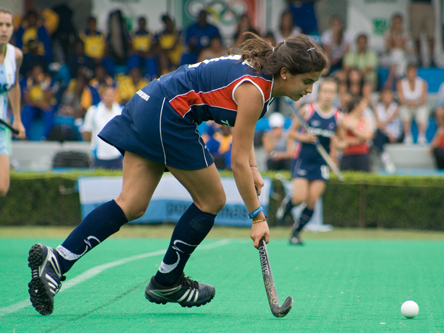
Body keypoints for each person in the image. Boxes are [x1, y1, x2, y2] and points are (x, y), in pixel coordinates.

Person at [27, 32, 327, 315]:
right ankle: (167, 280)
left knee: (131, 204)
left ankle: (57, 261)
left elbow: (240, 138)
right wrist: (258, 217)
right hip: (170, 114)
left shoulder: (262, 80)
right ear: (286, 72)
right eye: (308, 81)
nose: (310, 90)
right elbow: (236, 162)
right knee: (212, 199)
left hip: (149, 103)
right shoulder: (255, 90)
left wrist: (253, 167)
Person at [275, 78, 341, 244]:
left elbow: (340, 140)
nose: (327, 95)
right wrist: (304, 137)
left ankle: (296, 233)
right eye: (325, 91)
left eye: (331, 92)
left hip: (321, 164)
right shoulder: (308, 111)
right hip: (303, 159)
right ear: (320, 93)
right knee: (299, 197)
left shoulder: (338, 117)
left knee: (312, 200)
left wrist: (339, 145)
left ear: (335, 95)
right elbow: (291, 133)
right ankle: (286, 206)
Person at [0, 8, 25, 196]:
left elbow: (14, 86)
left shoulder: (16, 55)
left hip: (2, 127)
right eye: (0, 25)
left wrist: (17, 119)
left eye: (8, 25)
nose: (4, 29)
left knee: (2, 187)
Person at [80, 85, 123, 170]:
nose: (110, 98)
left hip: (117, 155)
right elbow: (86, 132)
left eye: (111, 95)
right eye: (107, 95)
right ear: (102, 96)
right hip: (99, 155)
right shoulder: (93, 111)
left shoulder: (121, 111)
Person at [336, 95, 374, 172]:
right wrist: (358, 140)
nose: (365, 107)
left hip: (362, 153)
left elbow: (368, 136)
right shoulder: (344, 119)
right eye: (363, 104)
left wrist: (352, 128)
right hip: (348, 154)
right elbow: (343, 138)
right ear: (356, 106)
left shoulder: (364, 120)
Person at [20, 64, 57, 140]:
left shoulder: (48, 82)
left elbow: (48, 99)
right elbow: (27, 100)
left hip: (44, 107)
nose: (38, 75)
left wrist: (42, 86)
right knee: (27, 108)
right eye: (35, 74)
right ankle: (24, 136)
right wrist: (41, 104)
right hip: (35, 107)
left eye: (39, 73)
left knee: (49, 109)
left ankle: (47, 137)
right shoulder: (28, 82)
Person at [397, 63, 429, 144]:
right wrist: (410, 103)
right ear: (406, 73)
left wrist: (415, 103)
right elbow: (401, 99)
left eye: (413, 72)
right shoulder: (401, 83)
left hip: (418, 105)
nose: (411, 74)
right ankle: (407, 135)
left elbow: (423, 99)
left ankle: (422, 136)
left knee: (422, 110)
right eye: (410, 72)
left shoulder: (422, 83)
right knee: (403, 110)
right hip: (406, 105)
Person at [373, 88, 401, 173]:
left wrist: (389, 133)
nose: (387, 98)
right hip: (385, 134)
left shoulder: (395, 107)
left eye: (389, 96)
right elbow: (377, 124)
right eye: (385, 96)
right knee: (377, 134)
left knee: (377, 135)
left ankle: (384, 156)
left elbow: (386, 121)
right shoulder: (377, 107)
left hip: (395, 135)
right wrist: (388, 133)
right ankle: (385, 157)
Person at [383, 13, 411, 89]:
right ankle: (399, 85)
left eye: (398, 23)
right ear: (392, 23)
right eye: (395, 23)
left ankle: (390, 81)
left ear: (402, 24)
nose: (396, 25)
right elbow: (390, 48)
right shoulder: (388, 32)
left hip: (401, 58)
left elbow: (401, 47)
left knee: (398, 56)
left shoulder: (405, 33)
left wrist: (396, 35)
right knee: (397, 54)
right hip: (388, 57)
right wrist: (395, 35)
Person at [409, 0, 436, 67]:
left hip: (428, 5)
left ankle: (432, 59)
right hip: (415, 4)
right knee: (416, 35)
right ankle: (419, 59)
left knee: (431, 34)